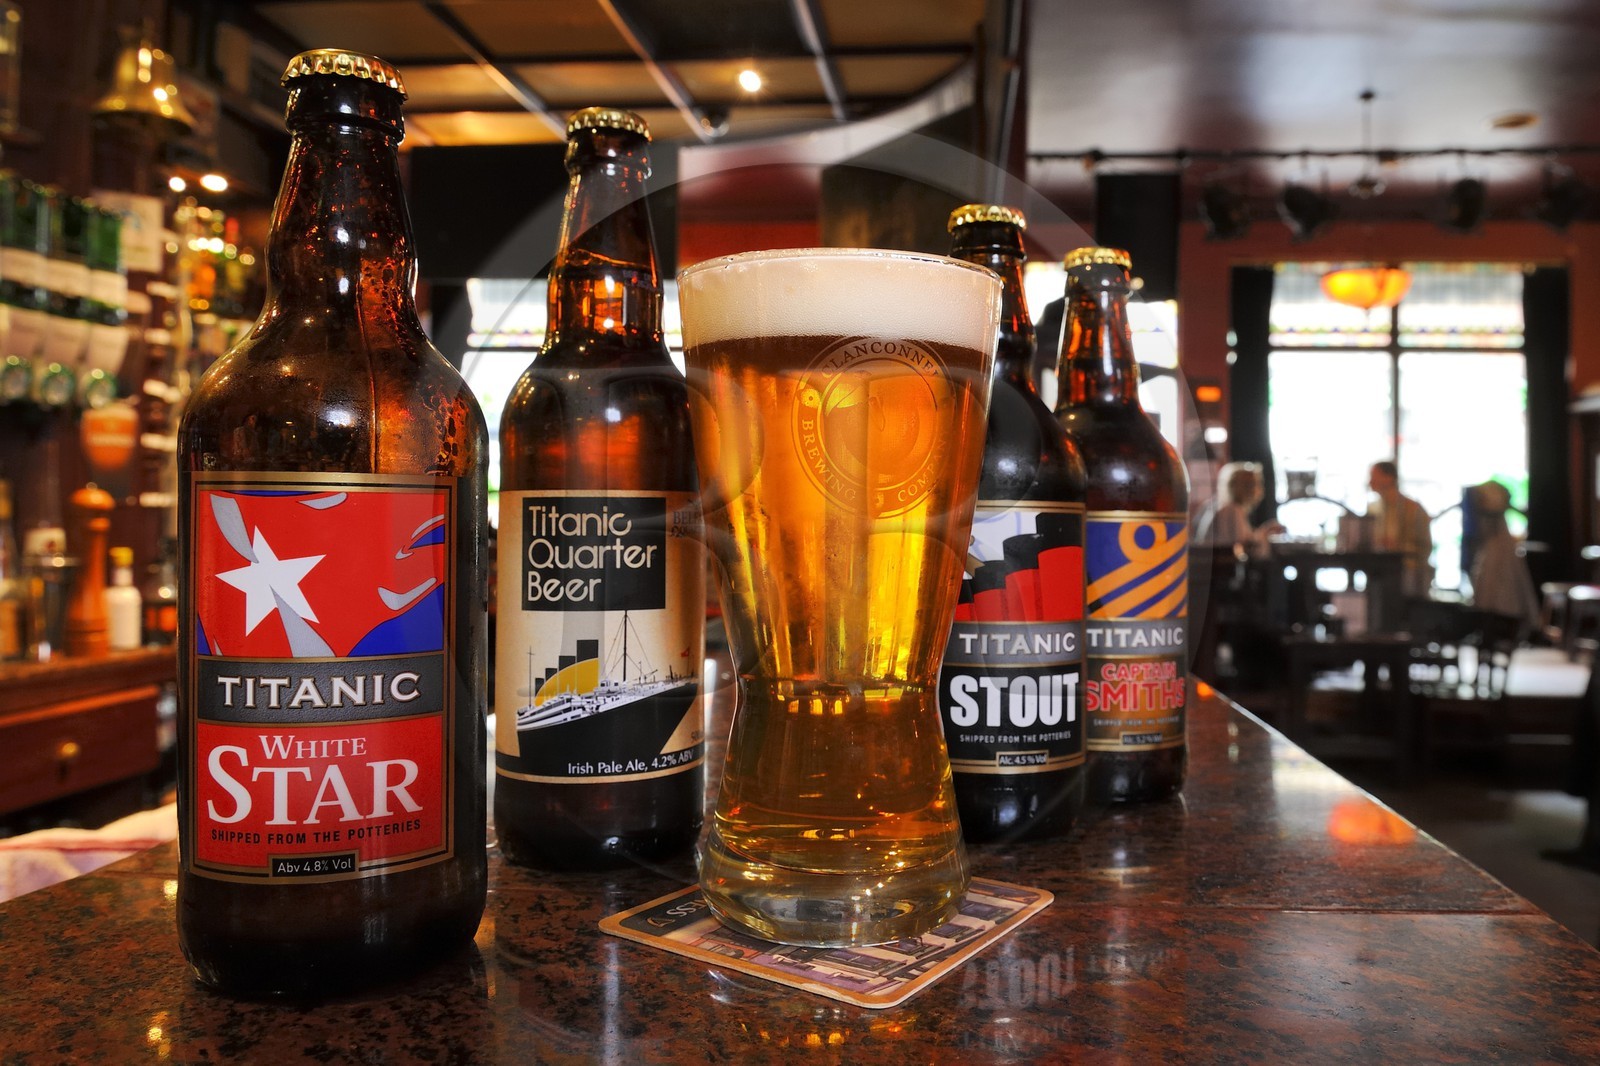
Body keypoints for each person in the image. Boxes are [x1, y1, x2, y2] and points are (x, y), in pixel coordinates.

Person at [1465, 480, 1540, 632]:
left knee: (1507, 580)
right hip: (1490, 544)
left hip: (1502, 544)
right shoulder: (1479, 493)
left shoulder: (1493, 495)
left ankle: (1505, 624)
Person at [1367, 460, 1434, 598]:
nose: (1370, 482)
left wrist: (1398, 547)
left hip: (1409, 577)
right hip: (1380, 575)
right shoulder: (1373, 509)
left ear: (1389, 478)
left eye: (1374, 476)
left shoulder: (1413, 509)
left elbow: (1425, 547)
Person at [1195, 461, 1282, 552]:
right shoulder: (1232, 510)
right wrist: (1265, 533)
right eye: (1256, 483)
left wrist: (1266, 531)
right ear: (1244, 487)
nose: (1260, 489)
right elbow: (1245, 547)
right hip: (1222, 564)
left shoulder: (1216, 505)